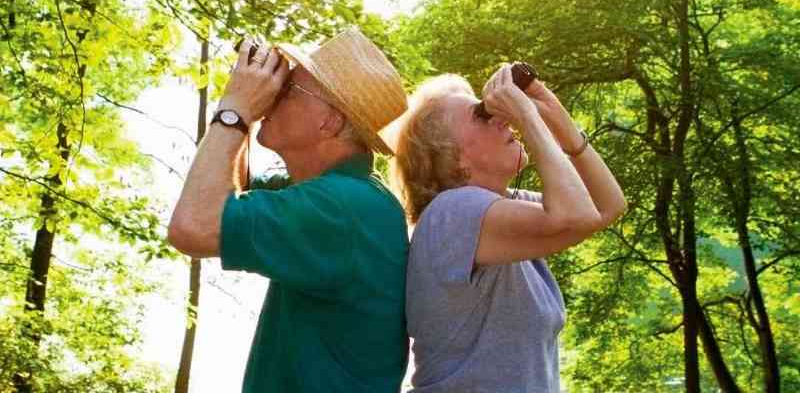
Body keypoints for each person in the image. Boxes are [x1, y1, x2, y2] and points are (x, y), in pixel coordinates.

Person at [168, 27, 410, 393]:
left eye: (288, 89)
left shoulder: (340, 207)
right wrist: (243, 110)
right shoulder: (344, 194)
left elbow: (194, 226)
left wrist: (235, 110)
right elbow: (226, 190)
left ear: (330, 121)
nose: (274, 95)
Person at [389, 65, 627, 393]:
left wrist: (552, 112)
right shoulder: (451, 214)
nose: (502, 117)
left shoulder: (500, 208)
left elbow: (606, 207)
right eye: (481, 115)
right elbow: (576, 215)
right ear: (452, 158)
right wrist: (528, 118)